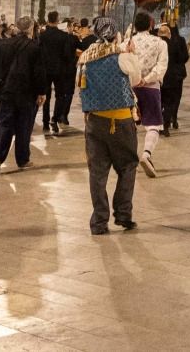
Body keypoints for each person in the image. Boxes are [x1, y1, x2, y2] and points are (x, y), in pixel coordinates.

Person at [77, 17, 143, 234]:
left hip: (94, 121)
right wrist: (132, 54)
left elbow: (80, 85)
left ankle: (99, 221)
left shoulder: (85, 57)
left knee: (97, 172)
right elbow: (135, 80)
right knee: (128, 166)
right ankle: (123, 214)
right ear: (115, 34)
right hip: (121, 120)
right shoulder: (121, 57)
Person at [0, 17, 41, 175]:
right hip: (27, 93)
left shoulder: (3, 45)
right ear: (31, 29)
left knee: (4, 125)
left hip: (7, 91)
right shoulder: (34, 47)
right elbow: (39, 73)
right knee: (23, 127)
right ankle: (23, 159)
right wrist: (42, 92)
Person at [125, 12, 168, 177]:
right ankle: (146, 154)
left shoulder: (127, 43)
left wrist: (134, 79)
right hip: (150, 88)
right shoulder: (160, 43)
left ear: (134, 26)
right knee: (153, 125)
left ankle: (130, 159)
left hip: (129, 89)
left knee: (129, 126)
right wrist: (147, 79)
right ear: (151, 25)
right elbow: (161, 66)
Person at [160, 23, 187, 133]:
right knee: (173, 99)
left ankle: (162, 122)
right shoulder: (178, 42)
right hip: (175, 75)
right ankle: (171, 120)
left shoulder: (157, 43)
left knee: (161, 100)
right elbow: (184, 57)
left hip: (160, 76)